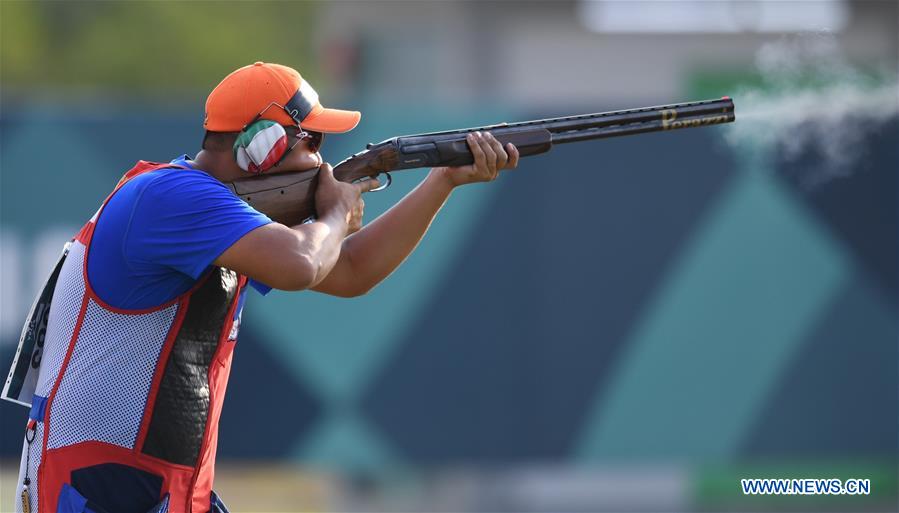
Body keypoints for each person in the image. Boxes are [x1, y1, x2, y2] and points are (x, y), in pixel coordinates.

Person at [12, 62, 518, 513]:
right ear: (262, 146)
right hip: (100, 488)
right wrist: (335, 214)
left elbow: (352, 270)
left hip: (152, 487)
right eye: (311, 142)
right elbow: (301, 263)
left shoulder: (203, 206)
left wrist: (442, 181)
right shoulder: (172, 196)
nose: (322, 161)